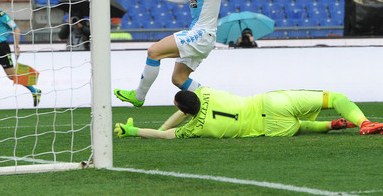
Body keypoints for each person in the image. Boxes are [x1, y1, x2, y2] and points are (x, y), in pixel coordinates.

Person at [114, 0, 241, 107]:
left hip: (202, 34)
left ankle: (138, 96)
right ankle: (218, 104)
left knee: (154, 51)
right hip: (200, 35)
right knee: (178, 79)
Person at [115, 87, 383, 139]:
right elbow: (188, 104)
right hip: (270, 104)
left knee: (297, 127)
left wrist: (133, 130)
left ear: (181, 110)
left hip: (271, 130)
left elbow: (166, 135)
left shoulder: (196, 128)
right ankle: (364, 123)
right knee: (334, 97)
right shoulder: (207, 92)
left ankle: (328, 126)